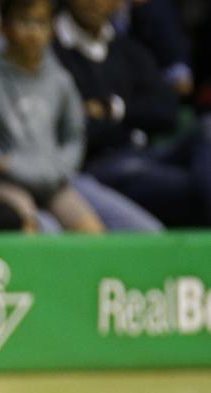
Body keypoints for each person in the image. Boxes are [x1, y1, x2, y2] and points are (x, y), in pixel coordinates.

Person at [0, 0, 162, 233]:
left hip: (54, 180)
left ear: (51, 29)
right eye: (24, 22)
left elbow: (75, 134)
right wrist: (1, 163)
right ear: (4, 27)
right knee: (34, 229)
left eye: (41, 23)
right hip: (4, 180)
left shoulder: (60, 79)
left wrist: (61, 166)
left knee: (92, 230)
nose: (33, 31)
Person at [57, 0, 211, 228]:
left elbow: (167, 111)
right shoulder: (53, 52)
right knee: (191, 187)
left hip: (147, 154)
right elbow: (79, 129)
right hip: (99, 166)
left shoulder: (128, 49)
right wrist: (133, 120)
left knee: (208, 127)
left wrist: (113, 110)